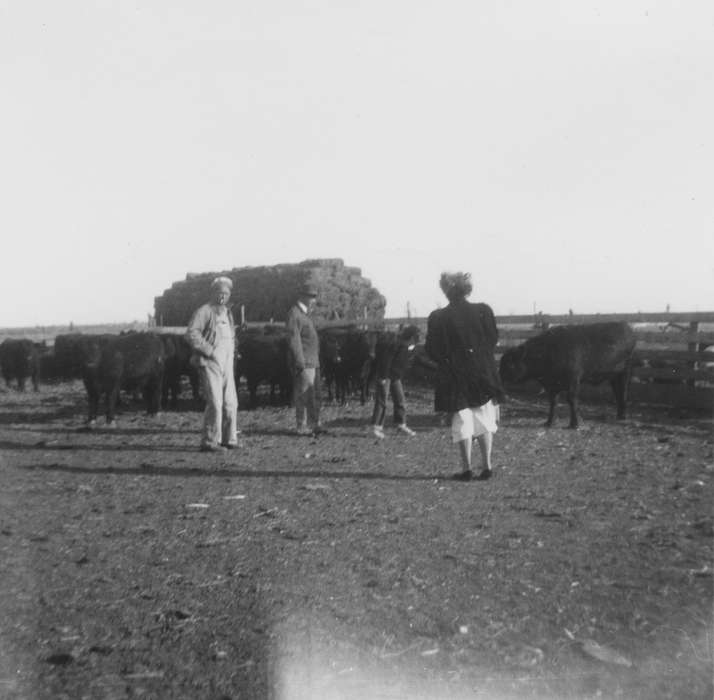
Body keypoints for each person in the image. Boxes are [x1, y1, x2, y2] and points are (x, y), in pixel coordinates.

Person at [425, 272, 504, 481]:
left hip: (453, 373)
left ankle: (467, 469)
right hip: (481, 371)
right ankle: (487, 466)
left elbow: (432, 350)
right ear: (467, 289)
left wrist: (448, 359)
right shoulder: (483, 311)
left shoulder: (437, 317)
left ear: (446, 291)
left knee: (462, 419)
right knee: (484, 415)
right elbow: (493, 339)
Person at [186, 276, 239, 452]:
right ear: (213, 293)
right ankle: (209, 442)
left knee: (230, 402)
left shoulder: (228, 313)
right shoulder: (205, 311)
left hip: (227, 362)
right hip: (210, 363)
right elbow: (192, 333)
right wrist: (208, 350)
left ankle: (229, 439)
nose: (223, 296)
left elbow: (230, 336)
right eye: (220, 293)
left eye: (226, 293)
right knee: (215, 402)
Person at [286, 283, 326, 436]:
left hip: (313, 361)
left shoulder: (305, 314)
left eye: (314, 297)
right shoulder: (294, 314)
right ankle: (301, 425)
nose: (314, 300)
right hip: (304, 362)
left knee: (314, 394)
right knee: (303, 394)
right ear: (302, 297)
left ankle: (314, 424)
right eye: (311, 296)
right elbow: (293, 340)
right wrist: (299, 361)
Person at [369, 325, 420, 438]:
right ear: (411, 337)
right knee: (382, 400)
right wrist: (382, 377)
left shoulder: (407, 346)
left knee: (400, 399)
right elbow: (386, 361)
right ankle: (376, 427)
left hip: (395, 376)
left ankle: (401, 424)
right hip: (386, 375)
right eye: (416, 337)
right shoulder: (396, 344)